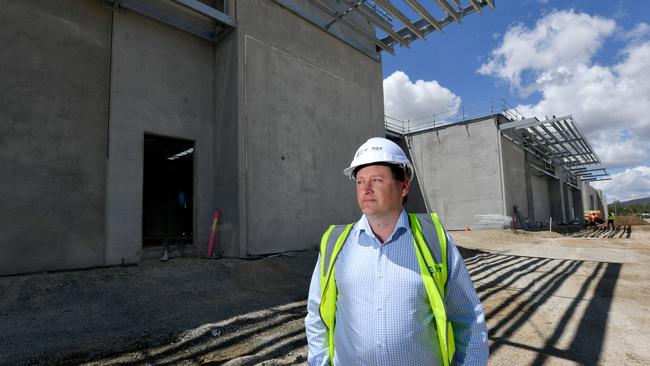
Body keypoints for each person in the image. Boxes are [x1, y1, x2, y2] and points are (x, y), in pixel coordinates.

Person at [305, 137, 489, 365]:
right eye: (360, 182)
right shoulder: (336, 243)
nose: (366, 189)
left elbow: (468, 317)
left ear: (404, 186)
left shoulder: (434, 240)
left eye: (377, 180)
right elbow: (316, 315)